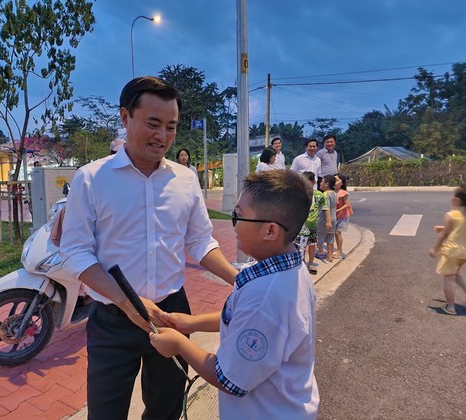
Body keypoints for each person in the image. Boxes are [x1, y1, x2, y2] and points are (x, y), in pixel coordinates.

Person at [59, 76, 238, 420]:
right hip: (113, 317)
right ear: (125, 118)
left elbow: (200, 241)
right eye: (153, 124)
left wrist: (238, 278)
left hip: (172, 313)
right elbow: (76, 253)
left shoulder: (185, 179)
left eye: (171, 127)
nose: (163, 136)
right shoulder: (92, 178)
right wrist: (128, 302)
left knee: (166, 410)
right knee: (106, 413)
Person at [149, 170, 319, 419]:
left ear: (270, 231)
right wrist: (191, 323)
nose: (235, 224)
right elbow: (239, 318)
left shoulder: (267, 298)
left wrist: (179, 344)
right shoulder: (284, 267)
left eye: (238, 216)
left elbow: (228, 379)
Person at [429, 184, 466, 315]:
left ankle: (450, 307)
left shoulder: (451, 215)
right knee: (456, 274)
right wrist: (444, 228)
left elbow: (444, 235)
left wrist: (435, 248)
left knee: (449, 278)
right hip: (463, 253)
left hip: (452, 252)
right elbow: (458, 230)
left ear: (457, 200)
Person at [297, 171, 326, 275]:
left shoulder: (319, 195)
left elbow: (324, 207)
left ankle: (311, 263)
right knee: (302, 245)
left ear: (314, 182)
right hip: (302, 225)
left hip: (313, 226)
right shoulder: (299, 195)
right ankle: (302, 262)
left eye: (307, 182)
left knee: (312, 244)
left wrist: (327, 220)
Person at [316, 175, 337, 262]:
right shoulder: (334, 193)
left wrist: (327, 221)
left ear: (327, 184)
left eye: (322, 181)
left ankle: (320, 252)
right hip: (333, 218)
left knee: (319, 237)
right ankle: (330, 256)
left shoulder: (325, 194)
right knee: (330, 238)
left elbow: (326, 208)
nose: (320, 183)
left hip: (324, 220)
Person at [333, 174, 353, 259]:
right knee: (335, 233)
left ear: (342, 183)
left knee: (338, 232)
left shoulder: (343, 193)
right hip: (336, 215)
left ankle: (339, 251)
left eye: (337, 180)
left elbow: (347, 204)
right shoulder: (332, 192)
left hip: (343, 215)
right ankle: (338, 250)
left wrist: (337, 210)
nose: (335, 182)